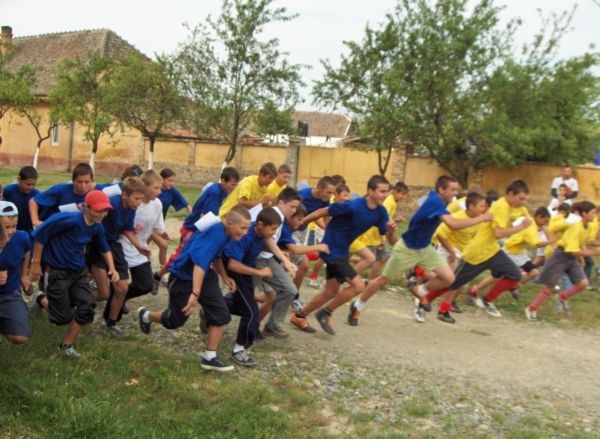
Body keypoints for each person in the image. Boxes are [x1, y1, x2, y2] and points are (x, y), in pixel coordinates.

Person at [346, 176, 492, 325]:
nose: (455, 193)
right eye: (452, 190)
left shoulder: (438, 198)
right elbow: (453, 224)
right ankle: (357, 305)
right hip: (408, 248)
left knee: (449, 278)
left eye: (456, 190)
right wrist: (482, 218)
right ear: (441, 189)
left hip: (425, 247)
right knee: (383, 280)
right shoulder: (435, 202)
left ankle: (420, 290)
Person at [138, 206, 251, 372]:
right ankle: (146, 315)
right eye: (242, 228)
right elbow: (199, 264)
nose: (245, 232)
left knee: (221, 314)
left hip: (205, 276)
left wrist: (224, 276)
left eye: (247, 228)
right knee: (175, 321)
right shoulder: (216, 234)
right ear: (229, 223)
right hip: (183, 279)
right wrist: (195, 293)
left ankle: (209, 357)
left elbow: (216, 256)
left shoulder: (227, 233)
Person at [290, 175, 395, 335]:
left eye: (387, 191)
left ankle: (299, 316)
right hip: (331, 248)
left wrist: (391, 230)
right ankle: (325, 312)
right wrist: (300, 223)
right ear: (370, 191)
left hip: (343, 250)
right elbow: (323, 211)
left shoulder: (381, 212)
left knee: (330, 292)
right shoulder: (353, 206)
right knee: (358, 286)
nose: (385, 194)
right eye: (382, 191)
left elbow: (390, 238)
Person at [424, 180, 533, 319]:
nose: (524, 202)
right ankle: (425, 299)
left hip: (492, 251)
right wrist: (521, 227)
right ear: (510, 194)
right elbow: (498, 233)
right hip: (476, 254)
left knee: (515, 275)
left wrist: (529, 218)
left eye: (525, 199)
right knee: (453, 283)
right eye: (521, 198)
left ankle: (486, 300)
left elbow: (524, 213)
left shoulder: (513, 206)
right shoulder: (501, 207)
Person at [29, 190, 117, 358]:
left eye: (106, 210)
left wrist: (112, 268)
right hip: (57, 272)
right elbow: (40, 235)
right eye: (99, 210)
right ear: (86, 207)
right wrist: (36, 263)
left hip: (78, 272)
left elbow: (105, 248)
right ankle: (40, 299)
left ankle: (65, 346)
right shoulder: (67, 219)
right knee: (61, 318)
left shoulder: (97, 227)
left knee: (87, 306)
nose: (103, 214)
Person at [154, 167, 241, 288]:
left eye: (236, 185)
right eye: (232, 184)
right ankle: (160, 276)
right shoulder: (215, 192)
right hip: (192, 229)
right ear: (223, 181)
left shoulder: (222, 191)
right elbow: (204, 216)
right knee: (181, 256)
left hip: (198, 229)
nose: (234, 187)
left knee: (192, 257)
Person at [222, 208, 282, 367]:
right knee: (250, 312)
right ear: (261, 225)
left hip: (245, 273)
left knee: (245, 308)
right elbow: (232, 264)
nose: (274, 233)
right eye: (272, 229)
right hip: (236, 274)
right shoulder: (245, 237)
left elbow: (265, 244)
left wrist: (283, 255)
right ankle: (239, 350)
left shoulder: (259, 231)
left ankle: (216, 307)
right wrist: (260, 272)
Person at [88, 177, 147, 336]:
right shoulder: (111, 204)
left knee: (122, 288)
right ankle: (76, 301)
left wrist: (140, 247)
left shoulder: (132, 207)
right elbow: (93, 219)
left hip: (114, 245)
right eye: (136, 198)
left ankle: (109, 323)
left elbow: (127, 229)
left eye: (141, 199)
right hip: (98, 245)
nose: (139, 202)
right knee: (104, 293)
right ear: (124, 195)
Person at [526, 201, 599, 321]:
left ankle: (562, 298)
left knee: (583, 283)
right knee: (549, 286)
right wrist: (593, 253)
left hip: (571, 258)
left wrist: (586, 253)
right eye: (593, 212)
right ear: (584, 214)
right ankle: (532, 308)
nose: (595, 215)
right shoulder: (575, 227)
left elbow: (582, 243)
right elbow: (572, 251)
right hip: (560, 256)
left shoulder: (589, 226)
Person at [111, 170, 166, 323]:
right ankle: (110, 319)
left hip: (139, 248)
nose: (159, 192)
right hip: (122, 245)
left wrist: (163, 233)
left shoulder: (157, 204)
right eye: (156, 188)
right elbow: (122, 224)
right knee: (119, 286)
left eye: (160, 188)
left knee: (145, 285)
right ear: (145, 186)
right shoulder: (132, 202)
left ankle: (119, 298)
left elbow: (157, 227)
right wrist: (132, 229)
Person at [253, 188, 303, 339]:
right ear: (281, 203)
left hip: (268, 259)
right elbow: (266, 240)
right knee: (241, 295)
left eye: (296, 208)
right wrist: (284, 259)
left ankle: (272, 325)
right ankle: (213, 310)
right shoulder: (273, 216)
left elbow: (271, 242)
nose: (293, 211)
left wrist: (281, 256)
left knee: (289, 290)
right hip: (256, 259)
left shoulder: (280, 217)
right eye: (292, 207)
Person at [0, 202, 32, 345]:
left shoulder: (22, 237)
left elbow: (27, 251)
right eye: (6, 227)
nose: (11, 231)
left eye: (14, 226)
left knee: (20, 337)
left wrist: (23, 274)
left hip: (9, 292)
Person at [307, 182, 350, 288]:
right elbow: (319, 217)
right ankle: (313, 277)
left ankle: (330, 279)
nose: (347, 198)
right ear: (336, 194)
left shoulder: (344, 206)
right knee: (322, 257)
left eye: (348, 195)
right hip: (325, 232)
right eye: (345, 195)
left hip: (334, 235)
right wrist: (326, 229)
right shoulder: (331, 205)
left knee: (330, 257)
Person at [29, 162, 96, 227]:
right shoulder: (61, 190)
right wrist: (35, 220)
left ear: (92, 182)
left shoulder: (95, 196)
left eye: (87, 182)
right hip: (54, 226)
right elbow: (33, 201)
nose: (83, 186)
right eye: (79, 182)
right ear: (73, 181)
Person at [2, 166, 40, 234]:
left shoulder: (37, 195)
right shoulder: (8, 191)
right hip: (10, 231)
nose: (31, 187)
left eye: (33, 184)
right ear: (19, 179)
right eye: (28, 184)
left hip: (29, 231)